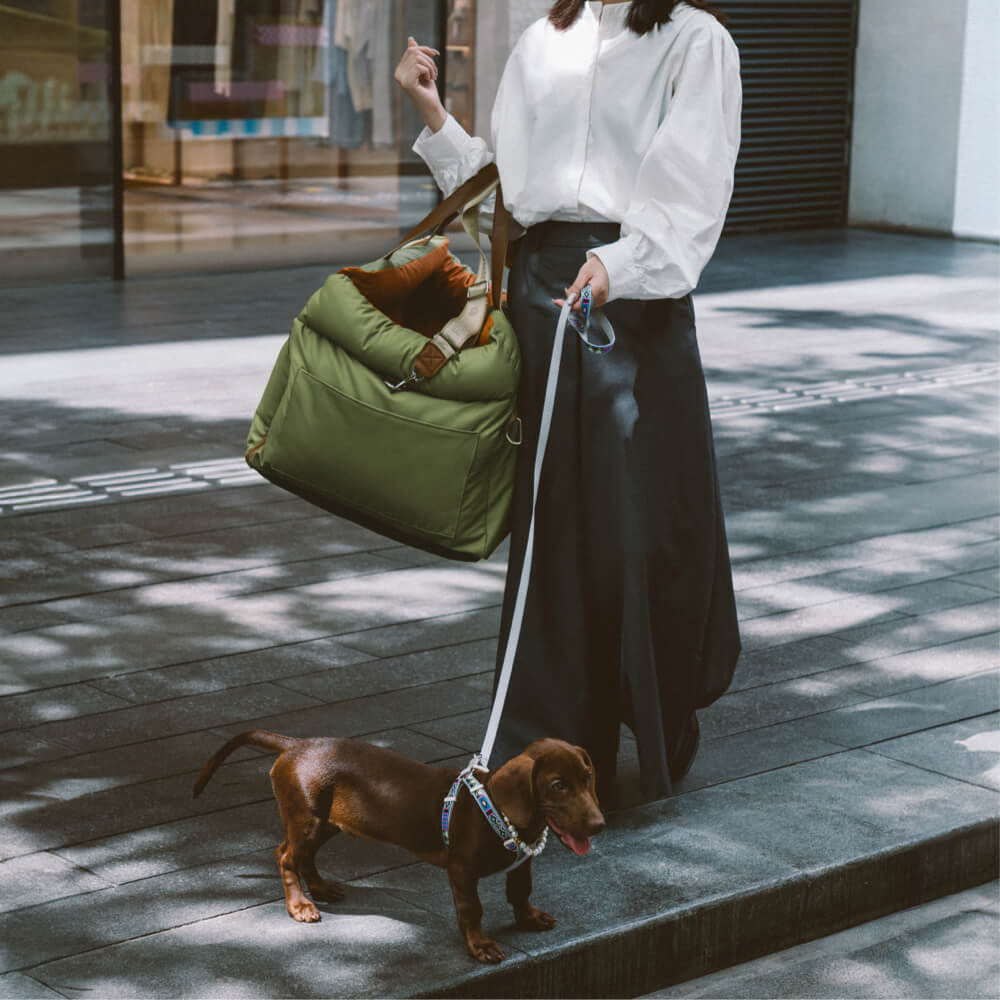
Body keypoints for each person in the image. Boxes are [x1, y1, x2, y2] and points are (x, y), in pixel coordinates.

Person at [394, 0, 742, 805]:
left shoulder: (696, 41)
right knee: (553, 533)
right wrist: (433, 111)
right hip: (546, 296)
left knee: (648, 523)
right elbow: (507, 201)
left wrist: (622, 267)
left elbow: (692, 193)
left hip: (636, 304)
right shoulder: (540, 40)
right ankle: (545, 751)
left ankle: (659, 715)